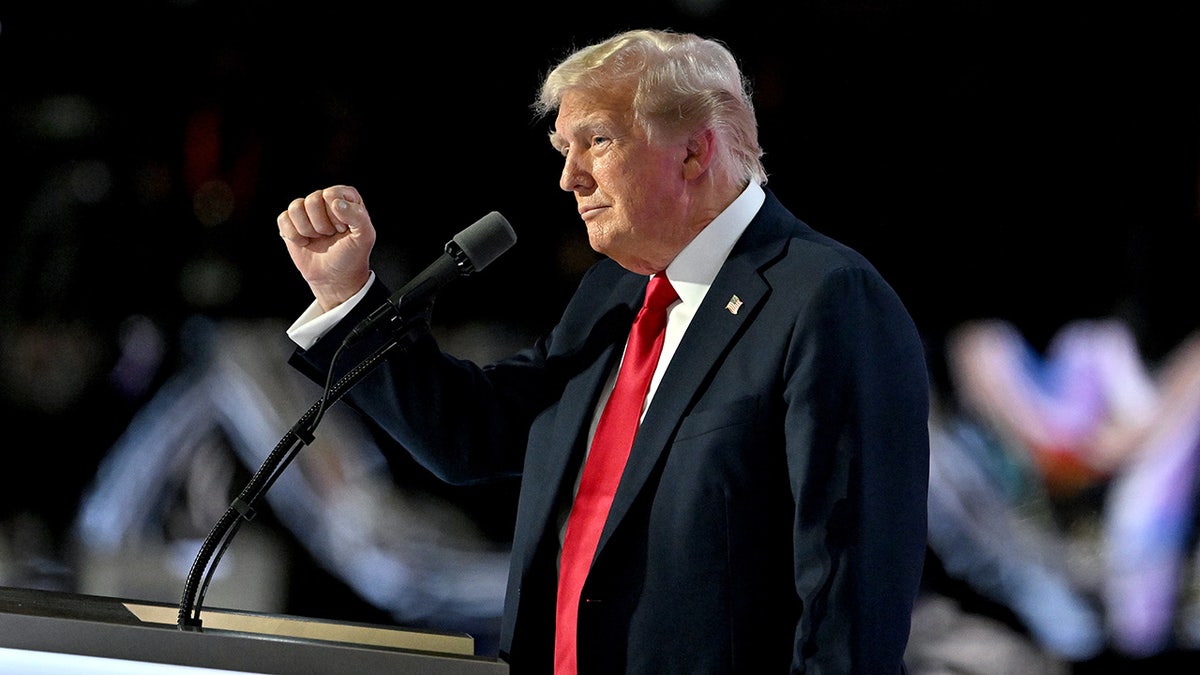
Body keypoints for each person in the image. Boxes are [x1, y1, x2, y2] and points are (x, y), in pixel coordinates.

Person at [276, 28, 930, 674]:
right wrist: (348, 295)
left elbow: (850, 603)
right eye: (563, 148)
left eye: (597, 140)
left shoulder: (825, 299)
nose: (567, 177)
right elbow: (470, 434)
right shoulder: (615, 292)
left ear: (694, 153)